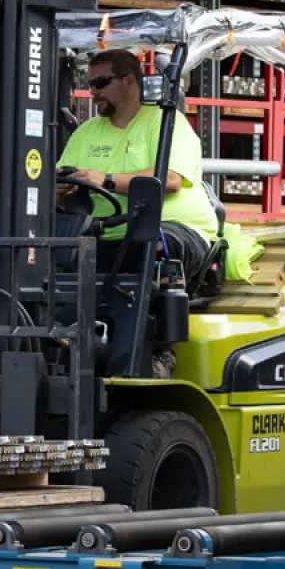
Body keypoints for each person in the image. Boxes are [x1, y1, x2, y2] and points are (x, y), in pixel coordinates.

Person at [58, 49, 219, 377]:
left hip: (175, 228)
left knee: (149, 252)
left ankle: (156, 354)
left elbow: (170, 178)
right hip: (107, 231)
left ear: (129, 80)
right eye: (90, 84)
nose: (94, 92)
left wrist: (104, 179)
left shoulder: (165, 122)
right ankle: (68, 353)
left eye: (101, 82)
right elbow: (62, 174)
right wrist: (60, 188)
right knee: (52, 262)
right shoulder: (86, 133)